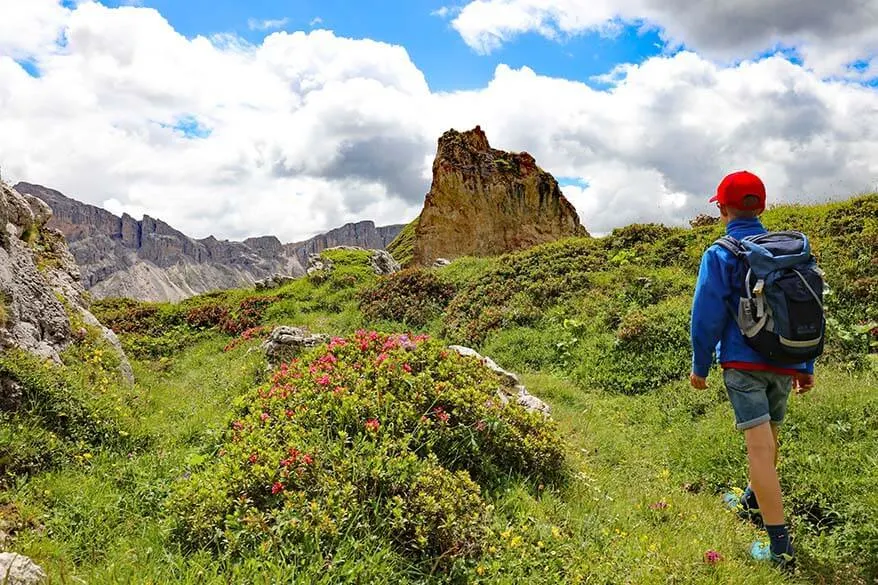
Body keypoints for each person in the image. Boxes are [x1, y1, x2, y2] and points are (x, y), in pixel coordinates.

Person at [689, 170, 815, 569]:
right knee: (770, 443)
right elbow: (809, 308)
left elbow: (705, 317)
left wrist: (700, 366)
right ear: (762, 205)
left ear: (723, 208)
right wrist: (804, 364)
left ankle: (779, 549)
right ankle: (749, 500)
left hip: (743, 365)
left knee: (759, 451)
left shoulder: (721, 252)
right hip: (786, 360)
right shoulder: (788, 250)